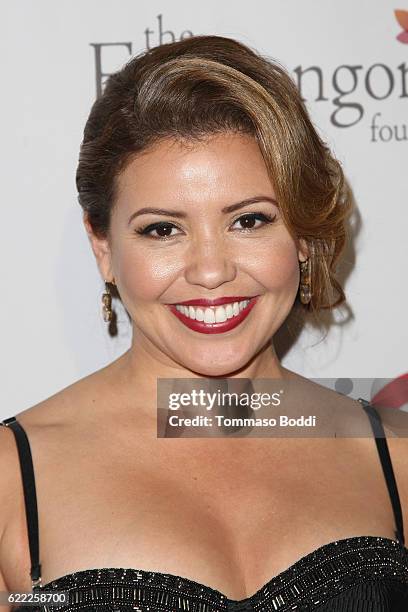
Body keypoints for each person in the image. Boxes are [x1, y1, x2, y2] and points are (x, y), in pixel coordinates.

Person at [0, 35, 407, 611]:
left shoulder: (395, 458)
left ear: (305, 235)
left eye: (249, 220)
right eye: (163, 229)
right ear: (103, 247)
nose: (211, 271)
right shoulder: (12, 481)